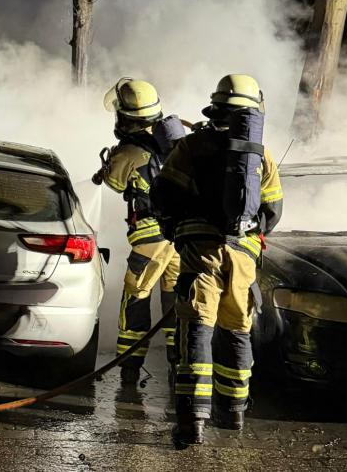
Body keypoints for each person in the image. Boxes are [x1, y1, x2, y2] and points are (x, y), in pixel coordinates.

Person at [152, 74, 283, 446]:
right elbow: (272, 212)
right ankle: (235, 413)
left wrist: (177, 230)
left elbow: (163, 197)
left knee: (198, 328)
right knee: (238, 330)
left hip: (200, 251)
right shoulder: (262, 154)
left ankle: (192, 421)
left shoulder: (190, 147)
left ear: (216, 106)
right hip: (242, 255)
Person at [93, 78, 184, 385]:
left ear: (125, 116)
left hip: (150, 240)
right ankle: (177, 364)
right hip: (178, 237)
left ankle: (130, 367)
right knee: (173, 299)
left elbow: (115, 183)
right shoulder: (172, 142)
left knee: (135, 297)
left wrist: (109, 164)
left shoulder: (129, 151)